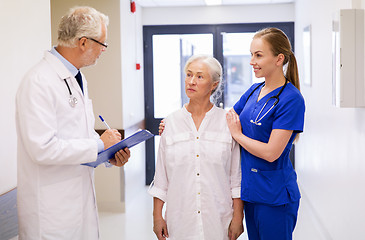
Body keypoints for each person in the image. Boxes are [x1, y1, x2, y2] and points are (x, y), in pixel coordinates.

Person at [15, 6, 130, 240]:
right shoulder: (39, 81)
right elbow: (42, 149)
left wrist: (109, 154)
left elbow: (77, 138)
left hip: (77, 203)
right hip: (51, 214)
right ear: (84, 42)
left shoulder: (77, 78)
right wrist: (99, 144)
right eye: (102, 44)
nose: (103, 51)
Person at [149, 55, 244, 240]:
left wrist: (238, 217)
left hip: (218, 220)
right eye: (189, 75)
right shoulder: (171, 123)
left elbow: (236, 178)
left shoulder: (227, 123)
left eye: (200, 77)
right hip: (180, 221)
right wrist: (157, 216)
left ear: (214, 84)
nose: (191, 81)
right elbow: (161, 177)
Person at [226, 27, 305, 240]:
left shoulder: (291, 99)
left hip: (275, 196)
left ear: (279, 59)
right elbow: (227, 119)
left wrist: (239, 136)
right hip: (251, 192)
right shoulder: (253, 90)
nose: (252, 61)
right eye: (251, 54)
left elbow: (272, 152)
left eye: (258, 55)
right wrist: (181, 123)